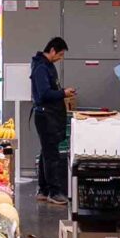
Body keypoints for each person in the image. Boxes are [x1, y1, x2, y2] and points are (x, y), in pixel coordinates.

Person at [30, 35, 72, 204]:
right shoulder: (41, 68)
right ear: (52, 50)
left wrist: (62, 92)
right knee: (51, 155)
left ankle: (43, 189)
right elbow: (44, 94)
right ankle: (54, 192)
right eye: (60, 55)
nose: (60, 58)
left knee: (46, 152)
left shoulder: (47, 66)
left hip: (50, 115)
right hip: (45, 117)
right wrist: (63, 93)